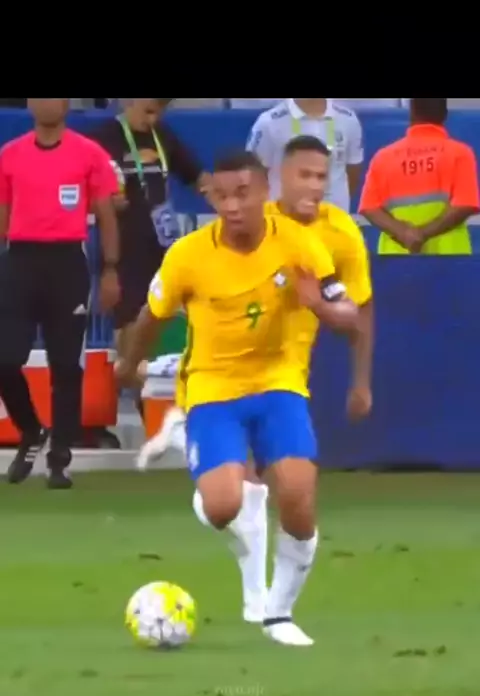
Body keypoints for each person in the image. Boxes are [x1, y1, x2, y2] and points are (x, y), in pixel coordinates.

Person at [116, 149, 359, 647]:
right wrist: (127, 366)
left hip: (277, 383)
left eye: (242, 194)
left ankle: (278, 614)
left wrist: (319, 305)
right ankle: (200, 465)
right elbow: (151, 316)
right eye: (220, 196)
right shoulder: (188, 256)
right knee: (224, 506)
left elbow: (349, 314)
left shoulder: (299, 245)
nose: (231, 206)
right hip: (212, 387)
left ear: (264, 191)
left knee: (298, 496)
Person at [0, 98, 120, 489]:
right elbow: (2, 216)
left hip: (66, 263)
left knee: (66, 365)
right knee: (5, 359)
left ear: (67, 103)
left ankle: (59, 459)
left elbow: (106, 214)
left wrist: (110, 269)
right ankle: (31, 430)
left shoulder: (89, 154)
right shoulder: (10, 155)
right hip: (20, 261)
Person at [90, 98, 206, 375]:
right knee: (129, 321)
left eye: (160, 112)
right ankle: (130, 381)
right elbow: (79, 188)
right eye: (149, 112)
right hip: (123, 246)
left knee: (164, 317)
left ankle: (156, 385)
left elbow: (198, 177)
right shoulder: (102, 138)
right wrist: (101, 201)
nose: (153, 119)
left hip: (161, 244)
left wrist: (221, 195)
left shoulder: (163, 136)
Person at [359, 98, 480, 254]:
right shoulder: (460, 153)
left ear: (412, 112)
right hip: (449, 256)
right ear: (445, 115)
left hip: (396, 256)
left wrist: (403, 233)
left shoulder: (383, 157)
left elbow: (369, 208)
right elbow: (465, 205)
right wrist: (423, 233)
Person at [246, 98, 364, 211]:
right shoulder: (268, 123)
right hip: (284, 219)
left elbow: (353, 172)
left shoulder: (348, 120)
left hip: (335, 217)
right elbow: (255, 176)